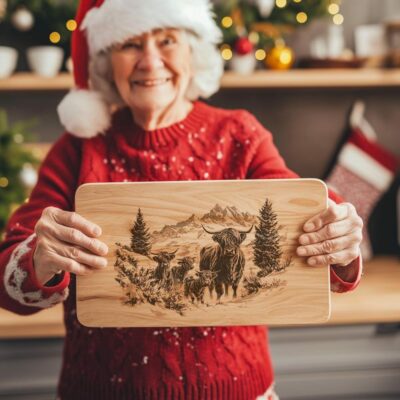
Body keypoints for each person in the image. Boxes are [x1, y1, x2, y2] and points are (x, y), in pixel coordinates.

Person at [0, 0, 363, 399]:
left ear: (193, 50)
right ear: (106, 61)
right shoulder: (76, 150)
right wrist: (38, 256)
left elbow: (301, 208)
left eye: (167, 39)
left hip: (238, 392)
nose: (150, 61)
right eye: (129, 44)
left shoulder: (239, 133)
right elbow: (8, 283)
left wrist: (338, 235)